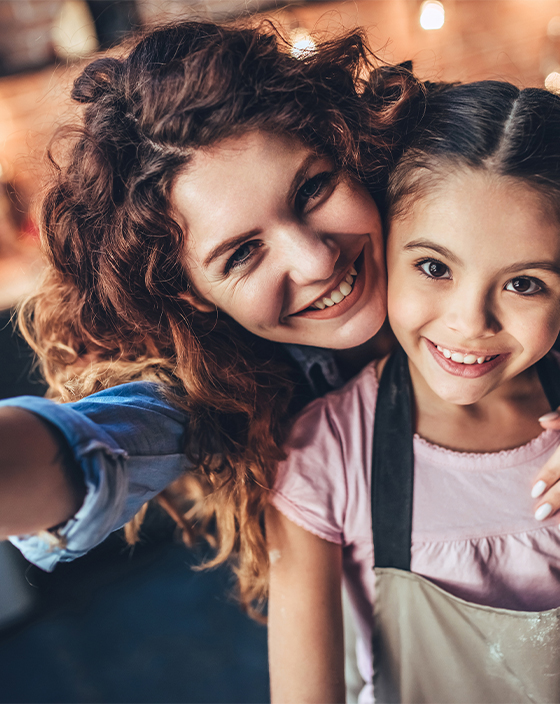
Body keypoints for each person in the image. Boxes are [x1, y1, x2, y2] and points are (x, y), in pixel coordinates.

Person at [0, 19, 421, 612]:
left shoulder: (448, 203)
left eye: (313, 189)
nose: (317, 260)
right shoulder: (221, 391)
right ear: (192, 294)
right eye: (243, 253)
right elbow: (96, 444)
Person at [267, 80, 560, 703]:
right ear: (380, 249)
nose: (469, 322)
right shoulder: (328, 455)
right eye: (434, 267)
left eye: (527, 284)